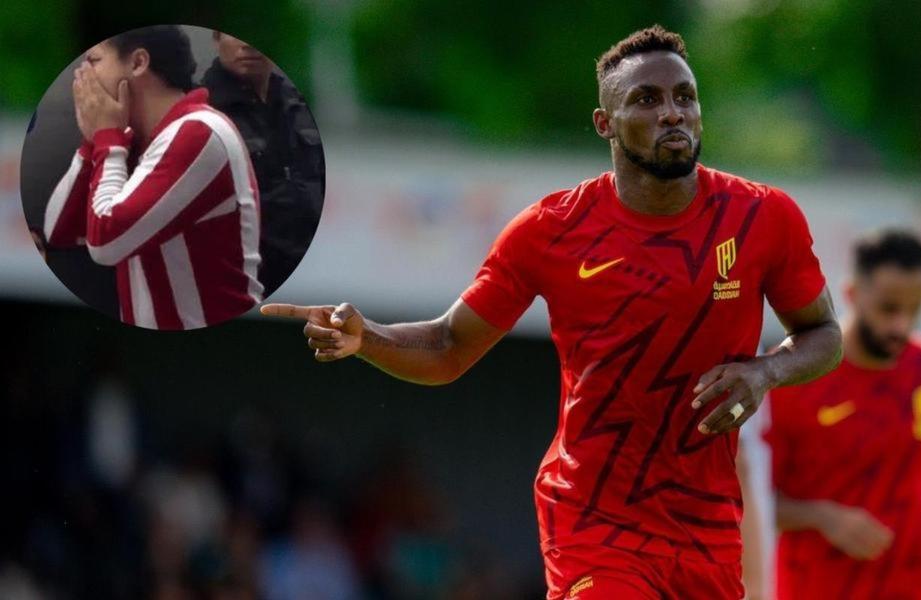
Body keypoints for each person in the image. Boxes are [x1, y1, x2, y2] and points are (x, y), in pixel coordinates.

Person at [263, 25, 842, 599]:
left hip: (707, 526)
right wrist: (369, 337)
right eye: (646, 99)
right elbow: (447, 346)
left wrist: (766, 371)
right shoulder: (549, 231)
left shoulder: (763, 218)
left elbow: (822, 333)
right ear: (604, 124)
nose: (672, 113)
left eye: (684, 97)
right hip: (592, 521)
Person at [766, 228, 921, 600]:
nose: (901, 325)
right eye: (889, 308)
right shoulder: (793, 373)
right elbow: (753, 500)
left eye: (915, 309)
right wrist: (824, 517)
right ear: (852, 294)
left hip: (908, 588)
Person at [42, 25, 262, 330]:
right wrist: (95, 140)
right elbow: (59, 230)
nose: (81, 75)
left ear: (137, 63)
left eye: (93, 60)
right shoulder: (132, 140)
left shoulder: (199, 131)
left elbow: (105, 243)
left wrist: (107, 140)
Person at [202, 31, 324, 296]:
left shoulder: (299, 105)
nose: (247, 44)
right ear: (216, 38)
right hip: (240, 283)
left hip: (311, 276)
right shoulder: (201, 116)